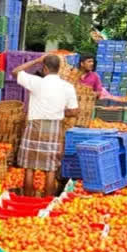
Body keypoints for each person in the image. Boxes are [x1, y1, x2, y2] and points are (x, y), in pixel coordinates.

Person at [11, 54, 78, 197]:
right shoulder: (68, 87)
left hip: (34, 126)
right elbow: (74, 112)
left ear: (45, 68)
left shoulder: (36, 82)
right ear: (59, 69)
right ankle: (47, 202)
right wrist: (59, 111)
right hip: (54, 128)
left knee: (29, 167)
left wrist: (35, 61)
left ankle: (28, 202)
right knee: (51, 169)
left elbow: (15, 72)